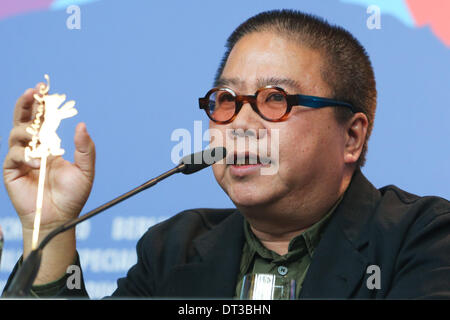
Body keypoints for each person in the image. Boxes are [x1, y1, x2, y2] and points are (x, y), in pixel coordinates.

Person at [3, 9, 450, 299]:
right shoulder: (174, 248)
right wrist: (53, 224)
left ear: (351, 137)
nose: (239, 123)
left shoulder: (423, 239)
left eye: (276, 99)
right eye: (226, 100)